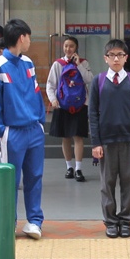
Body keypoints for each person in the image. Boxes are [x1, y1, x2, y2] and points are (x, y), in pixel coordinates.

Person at [0, 18, 45, 240]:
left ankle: (34, 222)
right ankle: (9, 222)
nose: (30, 41)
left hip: (34, 130)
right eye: (29, 37)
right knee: (10, 179)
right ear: (22, 38)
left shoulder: (28, 63)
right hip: (13, 132)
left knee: (35, 177)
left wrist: (40, 123)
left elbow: (36, 93)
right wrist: (2, 130)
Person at [89, 39, 130, 238]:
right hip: (106, 141)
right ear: (105, 58)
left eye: (120, 55)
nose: (116, 59)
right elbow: (92, 114)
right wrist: (95, 142)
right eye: (112, 55)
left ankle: (125, 220)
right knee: (107, 184)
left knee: (129, 182)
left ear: (126, 58)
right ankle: (110, 221)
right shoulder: (98, 81)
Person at [46, 36, 92, 182]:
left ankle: (78, 168)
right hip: (62, 104)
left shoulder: (83, 63)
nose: (68, 49)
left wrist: (78, 65)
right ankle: (69, 167)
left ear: (76, 47)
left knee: (78, 136)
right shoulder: (58, 64)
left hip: (80, 104)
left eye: (71, 46)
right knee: (65, 136)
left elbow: (89, 79)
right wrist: (53, 99)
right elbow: (50, 84)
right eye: (66, 46)